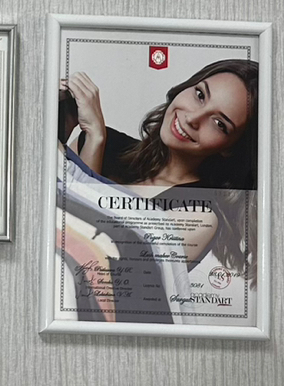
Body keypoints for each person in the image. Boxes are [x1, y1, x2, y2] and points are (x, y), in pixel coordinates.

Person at [58, 59, 259, 323]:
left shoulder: (200, 215)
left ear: (230, 147)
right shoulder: (108, 145)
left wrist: (94, 140)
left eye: (219, 123)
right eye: (200, 95)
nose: (192, 118)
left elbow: (109, 271)